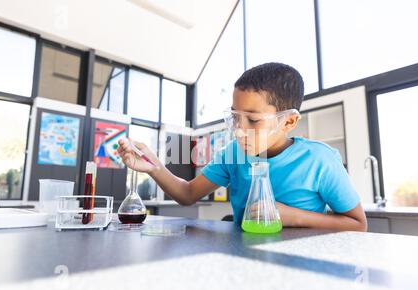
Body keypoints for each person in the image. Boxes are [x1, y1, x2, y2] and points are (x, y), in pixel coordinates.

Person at [118, 62, 367, 231]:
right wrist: (153, 166)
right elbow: (187, 194)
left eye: (253, 120)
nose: (238, 129)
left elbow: (358, 224)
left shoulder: (320, 160)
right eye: (235, 118)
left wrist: (292, 216)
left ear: (288, 121)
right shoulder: (234, 154)